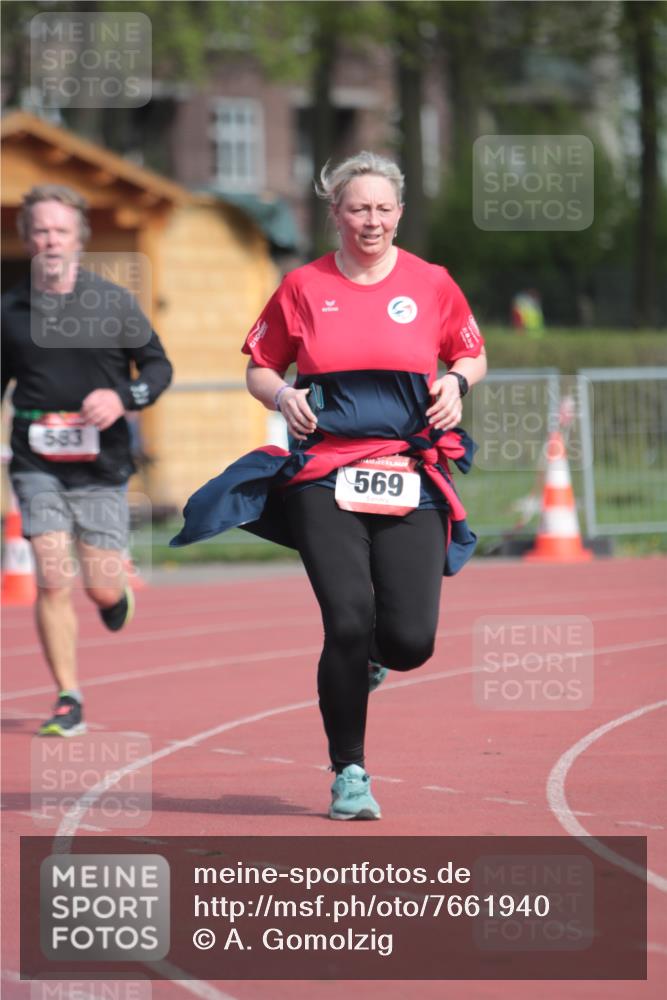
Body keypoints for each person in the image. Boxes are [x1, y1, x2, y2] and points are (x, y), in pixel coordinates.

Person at [172, 151, 486, 819]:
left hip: (408, 473)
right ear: (335, 214)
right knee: (345, 620)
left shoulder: (431, 283)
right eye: (356, 208)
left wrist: (456, 383)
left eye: (381, 208)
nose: (370, 220)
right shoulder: (302, 286)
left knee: (408, 641)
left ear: (398, 213)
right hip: (325, 474)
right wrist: (282, 395)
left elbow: (469, 350)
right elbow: (260, 365)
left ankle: (374, 656)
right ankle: (350, 772)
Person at [1, 184, 173, 736]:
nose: (51, 240)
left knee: (97, 587)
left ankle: (112, 592)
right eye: (42, 230)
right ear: (28, 239)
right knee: (52, 575)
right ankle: (67, 697)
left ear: (79, 239)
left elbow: (157, 369)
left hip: (101, 466)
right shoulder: (9, 310)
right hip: (36, 461)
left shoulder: (112, 303)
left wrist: (122, 398)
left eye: (61, 230)